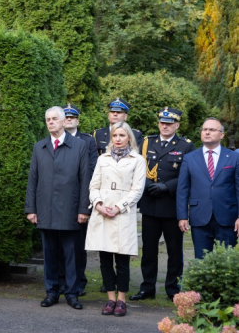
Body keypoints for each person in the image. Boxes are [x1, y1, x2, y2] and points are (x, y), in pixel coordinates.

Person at [25, 106, 91, 310]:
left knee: (71, 254)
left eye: (54, 118)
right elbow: (33, 180)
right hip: (46, 209)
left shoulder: (80, 146)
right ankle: (51, 292)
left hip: (70, 210)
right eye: (48, 119)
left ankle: (72, 293)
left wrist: (83, 209)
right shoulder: (40, 147)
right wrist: (31, 209)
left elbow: (85, 179)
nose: (51, 122)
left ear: (64, 121)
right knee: (50, 254)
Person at [130, 108, 194, 301]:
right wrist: (149, 185)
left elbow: (186, 174)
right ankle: (147, 287)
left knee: (174, 251)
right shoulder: (146, 142)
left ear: (177, 125)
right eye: (162, 122)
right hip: (150, 204)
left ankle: (173, 289)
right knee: (148, 250)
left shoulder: (185, 146)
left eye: (169, 123)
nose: (165, 126)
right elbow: (138, 168)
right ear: (158, 124)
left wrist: (166, 187)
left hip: (172, 205)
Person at [86, 122, 146, 317]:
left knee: (122, 260)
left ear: (129, 137)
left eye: (122, 135)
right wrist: (99, 204)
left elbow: (137, 189)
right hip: (102, 212)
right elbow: (93, 185)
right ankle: (110, 299)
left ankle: (121, 299)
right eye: (115, 136)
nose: (118, 139)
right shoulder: (102, 159)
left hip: (122, 213)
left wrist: (119, 206)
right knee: (104, 260)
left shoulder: (137, 160)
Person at [176, 117, 239, 259]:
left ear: (222, 135)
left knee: (227, 260)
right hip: (199, 216)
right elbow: (183, 189)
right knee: (201, 259)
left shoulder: (234, 157)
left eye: (212, 129)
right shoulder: (190, 158)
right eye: (205, 129)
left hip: (227, 216)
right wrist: (182, 216)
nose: (207, 132)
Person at [59, 103, 98, 296]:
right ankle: (61, 280)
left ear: (77, 120)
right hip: (60, 199)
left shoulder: (87, 141)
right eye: (66, 117)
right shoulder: (54, 140)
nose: (68, 120)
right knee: (59, 244)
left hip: (79, 197)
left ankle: (79, 281)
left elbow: (92, 169)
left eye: (72, 118)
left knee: (78, 243)